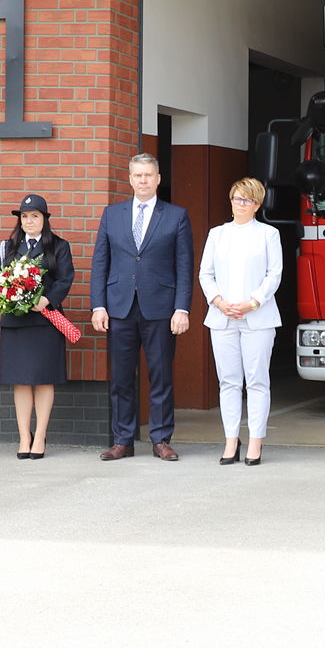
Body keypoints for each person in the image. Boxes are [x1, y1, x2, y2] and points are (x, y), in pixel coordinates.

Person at [91, 153, 194, 461]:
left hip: (161, 308)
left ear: (158, 179)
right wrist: (98, 305)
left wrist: (182, 308)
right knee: (121, 378)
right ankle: (123, 440)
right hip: (119, 308)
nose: (143, 180)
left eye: (148, 175)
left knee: (161, 376)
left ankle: (161, 439)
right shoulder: (112, 214)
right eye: (138, 175)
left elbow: (184, 266)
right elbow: (100, 263)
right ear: (130, 179)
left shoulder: (176, 216)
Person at [198, 178, 285, 466]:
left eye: (247, 200)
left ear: (257, 205)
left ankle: (256, 441)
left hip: (258, 316)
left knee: (257, 380)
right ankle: (231, 440)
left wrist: (252, 302)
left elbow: (274, 274)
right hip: (222, 317)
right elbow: (205, 273)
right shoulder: (217, 234)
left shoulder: (268, 234)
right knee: (228, 381)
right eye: (237, 198)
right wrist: (218, 301)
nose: (240, 204)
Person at [0, 193, 73, 461]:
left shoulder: (59, 246)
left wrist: (47, 299)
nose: (29, 221)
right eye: (25, 217)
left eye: (35, 216)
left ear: (44, 219)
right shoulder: (8, 247)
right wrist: (9, 293)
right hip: (15, 322)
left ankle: (39, 436)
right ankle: (23, 437)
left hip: (45, 321)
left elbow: (65, 279)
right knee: (20, 380)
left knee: (43, 378)